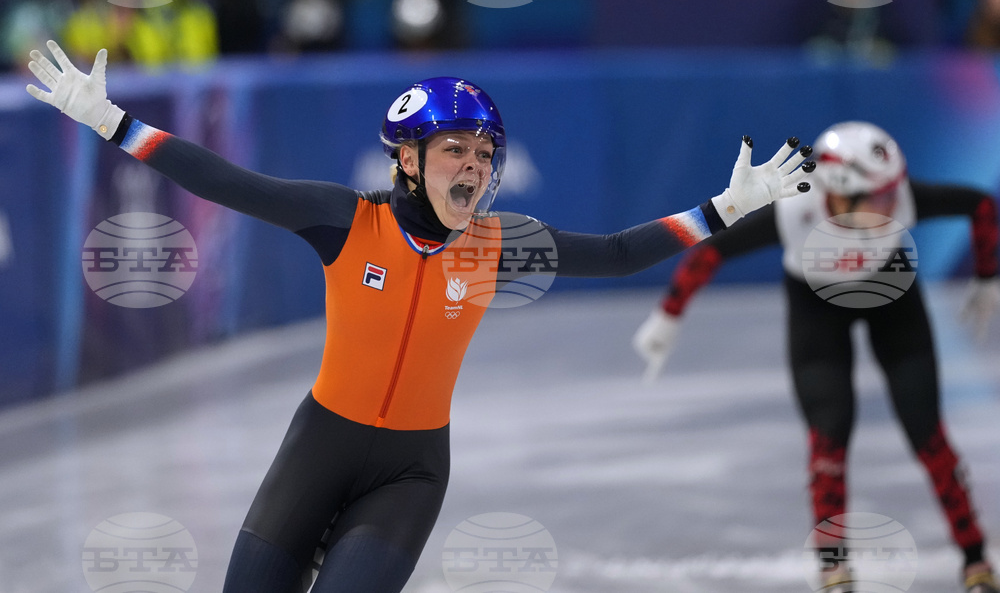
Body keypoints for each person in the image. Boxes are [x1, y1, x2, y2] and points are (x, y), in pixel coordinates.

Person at [26, 40, 811, 593]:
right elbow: (227, 183)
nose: (473, 167)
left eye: (483, 154)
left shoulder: (499, 244)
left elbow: (613, 254)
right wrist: (112, 122)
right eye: (454, 152)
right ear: (408, 159)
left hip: (409, 471)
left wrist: (724, 208)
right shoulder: (346, 222)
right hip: (319, 449)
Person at [633, 121, 1000, 593]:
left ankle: (975, 558)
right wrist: (668, 316)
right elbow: (713, 251)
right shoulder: (794, 209)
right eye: (878, 200)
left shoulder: (899, 196)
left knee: (928, 433)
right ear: (835, 195)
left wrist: (989, 276)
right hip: (816, 309)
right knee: (828, 437)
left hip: (893, 298)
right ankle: (833, 566)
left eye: (893, 196)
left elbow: (981, 205)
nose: (892, 208)